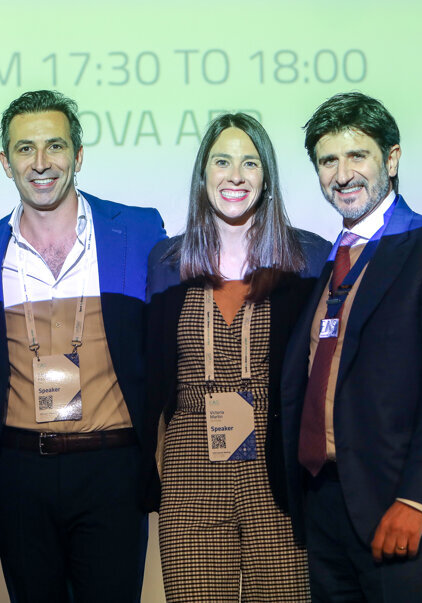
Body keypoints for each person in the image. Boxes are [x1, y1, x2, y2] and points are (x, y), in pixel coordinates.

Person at [0, 90, 165, 602]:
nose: (41, 163)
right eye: (25, 149)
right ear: (5, 163)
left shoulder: (139, 229)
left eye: (55, 146)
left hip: (111, 468)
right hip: (19, 471)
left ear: (78, 155)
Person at [280, 92, 422, 602]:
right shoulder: (329, 262)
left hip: (400, 508)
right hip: (326, 507)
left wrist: (416, 499)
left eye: (357, 156)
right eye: (328, 161)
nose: (343, 174)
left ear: (391, 159)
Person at [143, 113, 330, 601]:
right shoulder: (166, 262)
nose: (236, 175)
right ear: (203, 176)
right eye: (222, 162)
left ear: (266, 176)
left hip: (278, 469)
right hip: (189, 471)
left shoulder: (309, 256)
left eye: (250, 163)